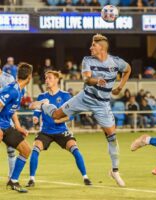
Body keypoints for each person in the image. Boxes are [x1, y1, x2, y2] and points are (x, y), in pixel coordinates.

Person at [30, 34, 131, 187]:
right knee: (57, 115)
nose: (90, 48)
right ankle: (43, 104)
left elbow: (128, 69)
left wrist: (120, 87)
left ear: (101, 48)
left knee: (112, 137)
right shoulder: (87, 60)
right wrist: (98, 80)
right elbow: (87, 79)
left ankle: (115, 170)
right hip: (84, 97)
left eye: (93, 46)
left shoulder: (116, 62)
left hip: (102, 104)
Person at [26, 70, 91, 187]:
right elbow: (37, 109)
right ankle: (31, 179)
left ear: (56, 80)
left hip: (61, 131)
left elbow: (70, 116)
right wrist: (35, 117)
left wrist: (59, 120)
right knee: (35, 149)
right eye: (45, 78)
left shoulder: (65, 96)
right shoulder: (42, 96)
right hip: (45, 131)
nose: (46, 80)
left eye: (49, 78)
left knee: (75, 150)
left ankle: (85, 177)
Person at [0, 62, 33, 193]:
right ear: (29, 77)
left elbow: (12, 110)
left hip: (6, 126)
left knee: (26, 150)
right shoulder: (11, 89)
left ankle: (13, 181)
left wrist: (18, 127)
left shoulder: (20, 90)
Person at [0, 61, 17, 178]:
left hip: (6, 119)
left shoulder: (8, 78)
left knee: (11, 150)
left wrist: (16, 123)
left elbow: (14, 101)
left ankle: (12, 177)